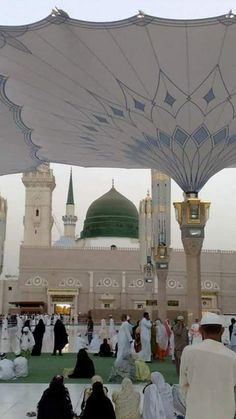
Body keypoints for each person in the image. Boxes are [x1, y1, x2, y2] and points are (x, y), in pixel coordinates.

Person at [180, 312, 236, 419]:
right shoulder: (232, 357)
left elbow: (183, 384)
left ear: (201, 330)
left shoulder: (189, 351)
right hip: (224, 413)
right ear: (222, 330)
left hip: (196, 412)